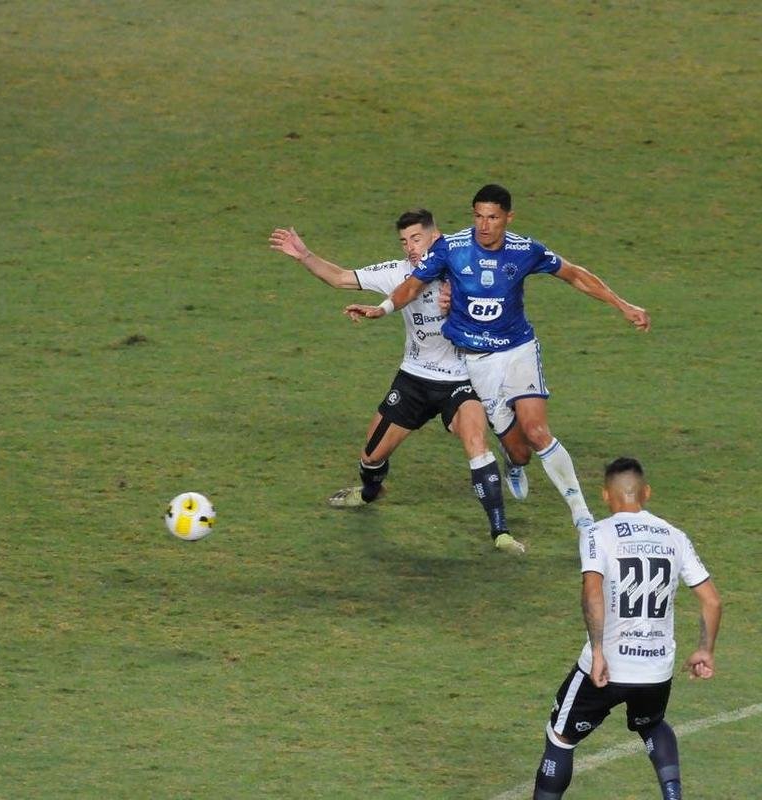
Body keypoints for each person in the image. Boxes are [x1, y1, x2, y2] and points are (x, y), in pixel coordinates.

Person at [343, 185, 650, 534]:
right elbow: (412, 286)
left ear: (508, 218)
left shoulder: (525, 250)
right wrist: (381, 309)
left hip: (518, 350)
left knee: (537, 431)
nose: (483, 225)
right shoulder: (452, 248)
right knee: (520, 452)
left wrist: (623, 305)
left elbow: (575, 274)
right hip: (479, 363)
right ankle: (514, 463)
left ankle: (582, 516)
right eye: (478, 216)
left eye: (492, 217)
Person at [268, 210, 525, 555]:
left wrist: (464, 308)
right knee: (371, 456)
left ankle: (501, 533)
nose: (410, 248)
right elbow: (341, 278)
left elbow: (504, 316)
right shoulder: (399, 273)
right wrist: (304, 255)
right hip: (414, 380)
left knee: (475, 441)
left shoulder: (468, 270)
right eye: (404, 241)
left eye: (416, 238)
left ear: (436, 237)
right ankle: (370, 492)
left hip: (462, 380)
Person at [531, 457, 722, 800]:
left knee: (560, 735)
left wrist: (600, 652)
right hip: (655, 670)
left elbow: (592, 592)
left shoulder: (597, 534)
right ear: (646, 493)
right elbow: (712, 601)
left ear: (606, 496)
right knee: (651, 723)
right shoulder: (675, 537)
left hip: (608, 666)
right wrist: (705, 649)